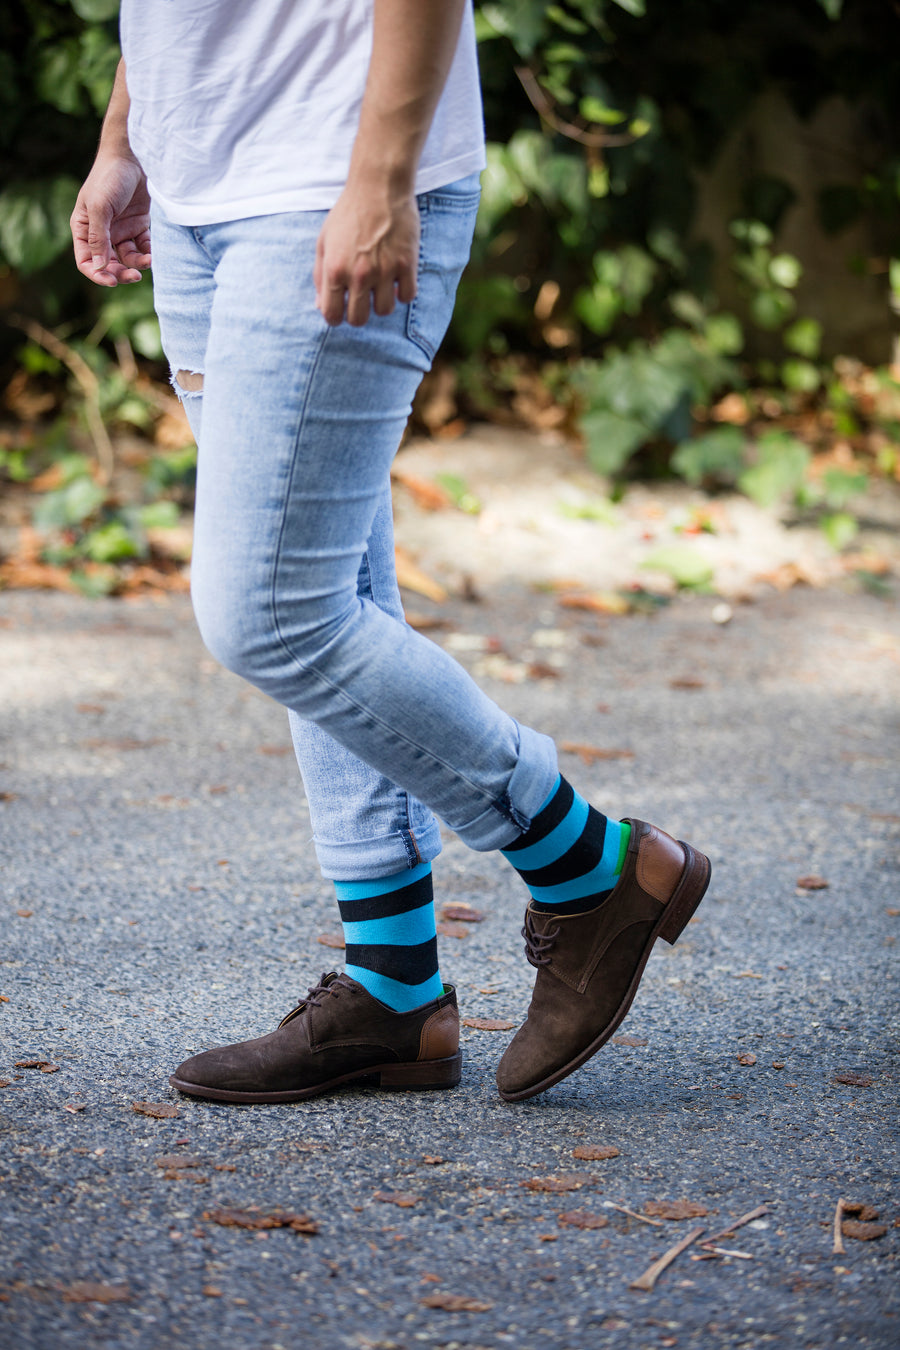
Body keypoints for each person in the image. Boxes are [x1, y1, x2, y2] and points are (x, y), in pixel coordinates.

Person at [70, 0, 710, 1106]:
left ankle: (589, 864)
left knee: (270, 610)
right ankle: (395, 990)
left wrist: (383, 177)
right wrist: (126, 135)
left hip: (330, 176)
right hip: (196, 193)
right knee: (329, 582)